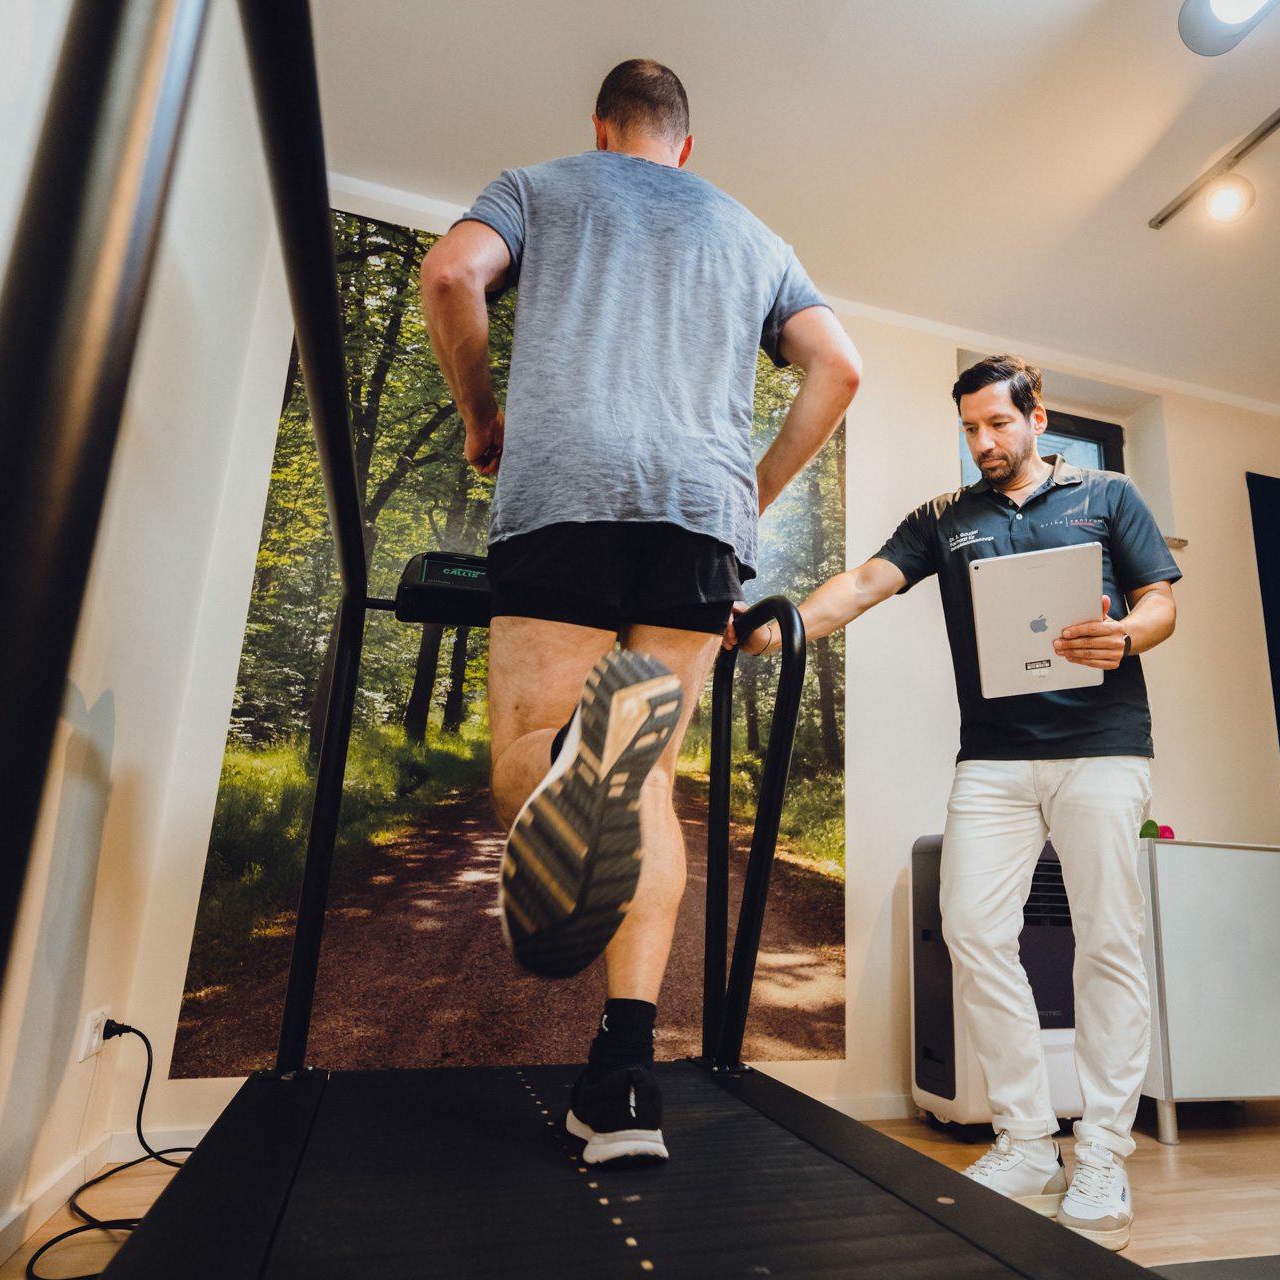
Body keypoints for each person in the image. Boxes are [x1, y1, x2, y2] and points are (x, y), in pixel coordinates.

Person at [420, 58, 862, 1167]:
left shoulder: (542, 184)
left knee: (529, 749)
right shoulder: (755, 234)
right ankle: (623, 1080)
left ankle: (571, 746)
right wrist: (745, 494)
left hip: (564, 489)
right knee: (650, 780)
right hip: (698, 522)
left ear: (603, 130)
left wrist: (482, 417)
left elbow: (448, 279)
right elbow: (839, 370)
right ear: (685, 146)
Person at [730, 354, 1178, 1250]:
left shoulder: (1109, 495)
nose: (984, 442)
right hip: (995, 760)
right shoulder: (947, 518)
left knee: (1109, 939)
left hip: (1102, 750)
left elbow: (1159, 600)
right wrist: (774, 628)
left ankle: (1100, 1153)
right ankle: (1024, 1143)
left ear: (1037, 417)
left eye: (999, 425)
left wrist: (1125, 636)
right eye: (970, 428)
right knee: (972, 930)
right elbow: (861, 583)